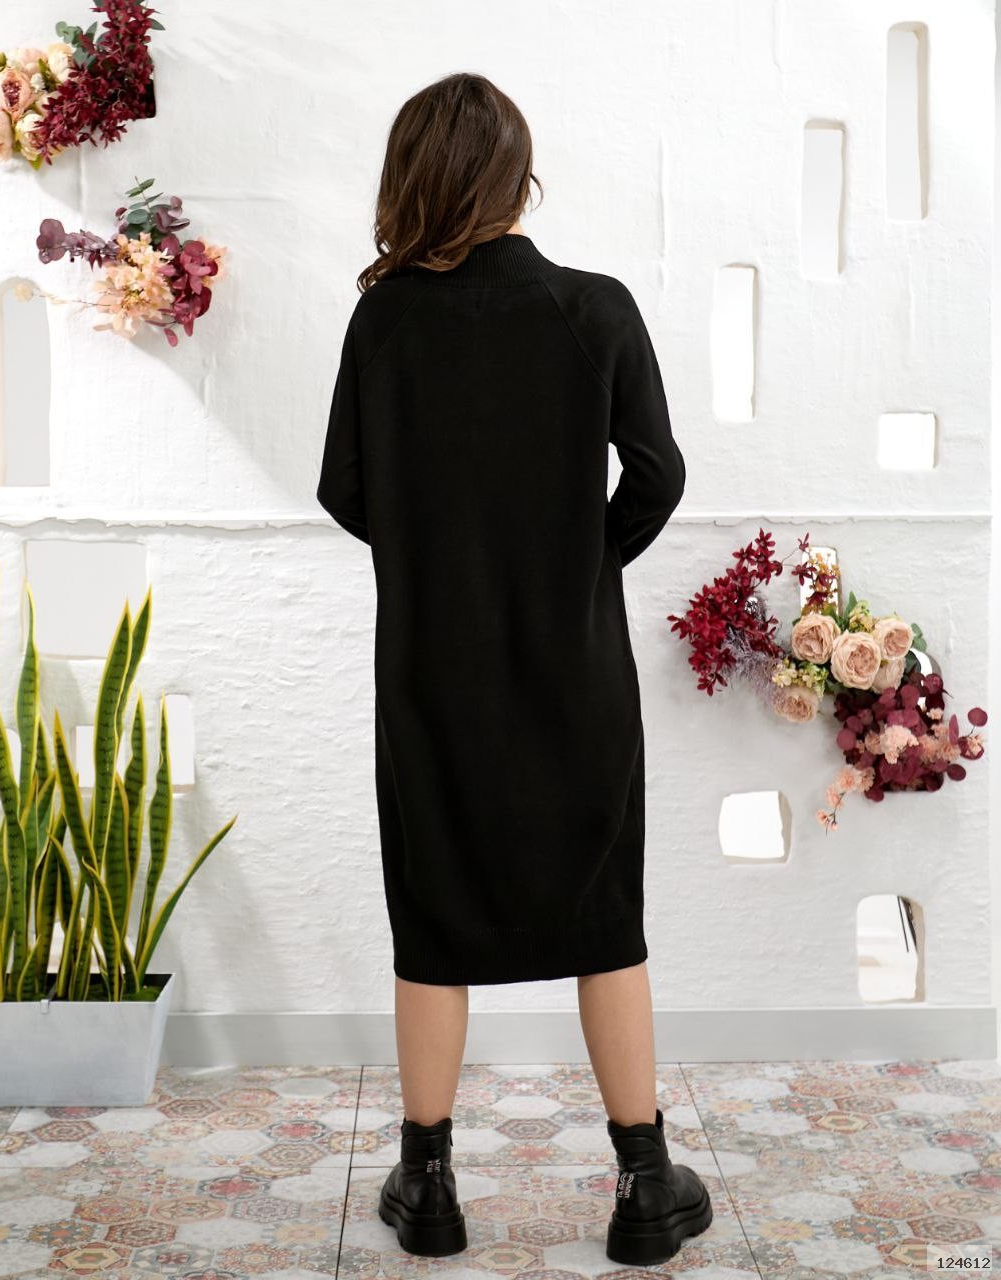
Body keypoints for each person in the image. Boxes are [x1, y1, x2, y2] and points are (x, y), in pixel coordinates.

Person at [317, 71, 711, 1267]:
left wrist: (440, 558)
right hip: (573, 669)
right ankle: (645, 1184)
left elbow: (345, 489)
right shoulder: (595, 308)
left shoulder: (383, 321)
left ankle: (428, 1184)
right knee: (605, 917)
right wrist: (574, 562)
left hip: (430, 674)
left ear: (411, 178)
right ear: (517, 175)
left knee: (432, 917)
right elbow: (658, 475)